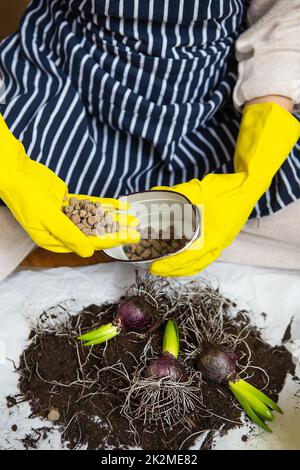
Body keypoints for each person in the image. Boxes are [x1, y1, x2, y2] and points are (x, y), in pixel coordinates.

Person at [0, 0, 300, 280]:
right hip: (67, 92)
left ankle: (117, 237)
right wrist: (11, 170)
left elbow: (283, 19)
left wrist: (250, 178)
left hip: (211, 104)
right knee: (22, 209)